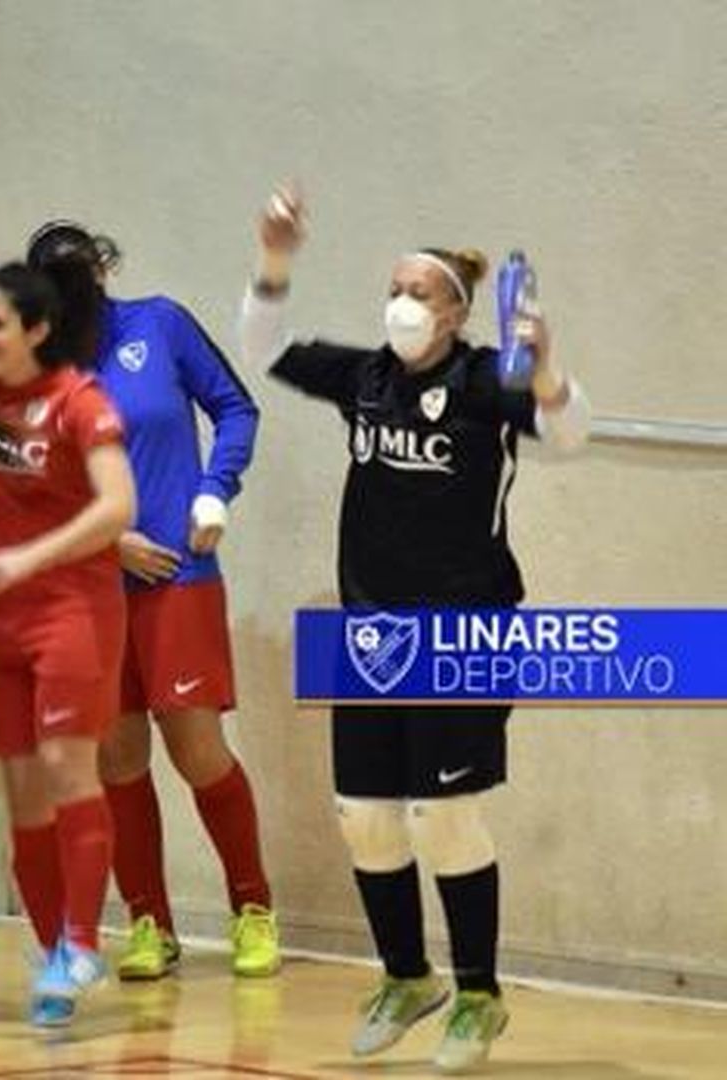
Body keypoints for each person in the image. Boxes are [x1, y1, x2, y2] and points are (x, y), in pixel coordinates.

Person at [240, 184, 590, 1073]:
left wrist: (545, 364)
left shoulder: (485, 381)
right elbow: (265, 346)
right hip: (371, 636)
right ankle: (407, 977)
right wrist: (276, 257)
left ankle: (478, 992)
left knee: (442, 815)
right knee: (364, 818)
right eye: (393, 288)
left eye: (420, 292)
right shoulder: (366, 377)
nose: (400, 303)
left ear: (457, 312)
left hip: (467, 630)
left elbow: (569, 431)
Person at [22, 221, 279, 982]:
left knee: (197, 751)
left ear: (104, 268)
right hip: (91, 592)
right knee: (118, 758)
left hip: (178, 580)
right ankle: (147, 925)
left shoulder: (159, 324)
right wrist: (105, 544)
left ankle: (253, 910)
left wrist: (213, 491)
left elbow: (236, 408)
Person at [0, 262, 137, 1027]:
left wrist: (30, 558)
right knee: (24, 798)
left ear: (37, 331)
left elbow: (118, 507)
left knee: (72, 770)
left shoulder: (78, 400)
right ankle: (51, 956)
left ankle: (81, 938)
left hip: (73, 609)